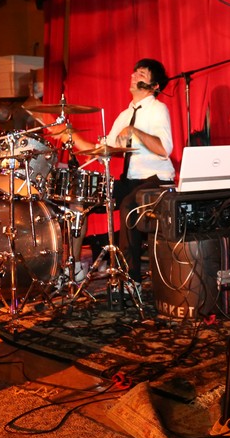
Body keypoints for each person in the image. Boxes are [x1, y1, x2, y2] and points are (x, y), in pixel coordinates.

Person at [66, 59, 176, 285]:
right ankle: (74, 268)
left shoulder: (158, 109)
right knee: (80, 200)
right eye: (134, 72)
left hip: (156, 180)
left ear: (155, 85)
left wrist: (135, 131)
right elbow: (103, 149)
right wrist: (70, 135)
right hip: (130, 181)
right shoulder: (125, 115)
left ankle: (131, 279)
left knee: (128, 205)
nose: (134, 76)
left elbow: (164, 149)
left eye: (142, 74)